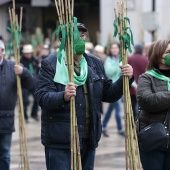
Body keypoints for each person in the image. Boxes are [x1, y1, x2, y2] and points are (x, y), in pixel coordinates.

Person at [35, 22, 134, 170]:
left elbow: (108, 94)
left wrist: (125, 79)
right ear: (62, 41)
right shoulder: (51, 64)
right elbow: (42, 97)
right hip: (61, 140)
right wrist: (63, 96)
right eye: (75, 36)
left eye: (82, 35)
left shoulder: (94, 63)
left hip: (88, 137)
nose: (80, 39)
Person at [136, 40, 170, 170]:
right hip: (154, 141)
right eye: (168, 52)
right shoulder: (147, 77)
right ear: (158, 55)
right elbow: (146, 100)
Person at [0, 40, 33, 170]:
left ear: (2, 51)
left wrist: (23, 72)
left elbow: (30, 84)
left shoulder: (13, 66)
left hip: (6, 118)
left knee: (4, 153)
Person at [102, 43, 124, 137]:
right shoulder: (109, 60)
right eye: (112, 48)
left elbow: (122, 74)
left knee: (110, 109)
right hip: (111, 87)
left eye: (116, 48)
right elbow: (109, 72)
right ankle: (120, 129)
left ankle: (103, 126)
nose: (114, 50)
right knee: (118, 109)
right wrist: (117, 64)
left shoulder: (121, 59)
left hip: (119, 88)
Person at [128, 44, 148, 119]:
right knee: (141, 105)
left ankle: (133, 119)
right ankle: (139, 119)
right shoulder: (145, 59)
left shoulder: (129, 58)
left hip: (132, 85)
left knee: (132, 105)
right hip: (142, 85)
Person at [20, 44, 39, 122]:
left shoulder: (35, 60)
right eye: (26, 53)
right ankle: (25, 116)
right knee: (25, 101)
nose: (28, 54)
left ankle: (34, 114)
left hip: (34, 83)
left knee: (37, 99)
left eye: (29, 53)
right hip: (25, 85)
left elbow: (38, 71)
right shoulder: (21, 62)